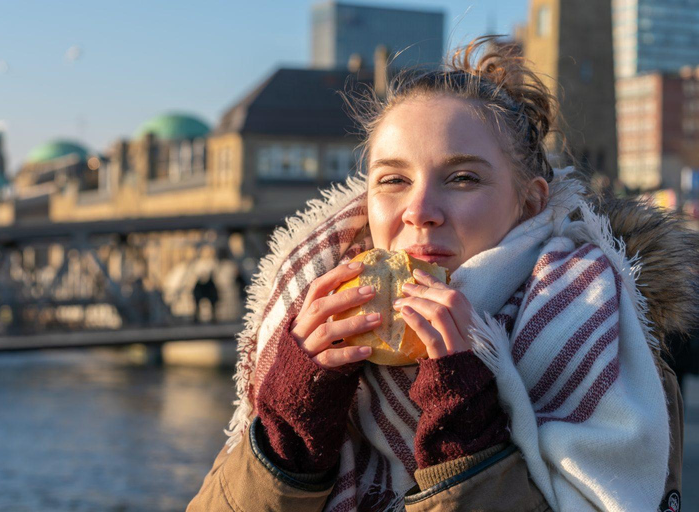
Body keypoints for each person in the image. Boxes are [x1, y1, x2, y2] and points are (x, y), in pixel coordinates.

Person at [188, 37, 697, 511]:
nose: (419, 210)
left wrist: (465, 435)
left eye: (461, 178)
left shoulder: (606, 337)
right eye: (393, 179)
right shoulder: (303, 315)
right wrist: (289, 435)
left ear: (529, 202)